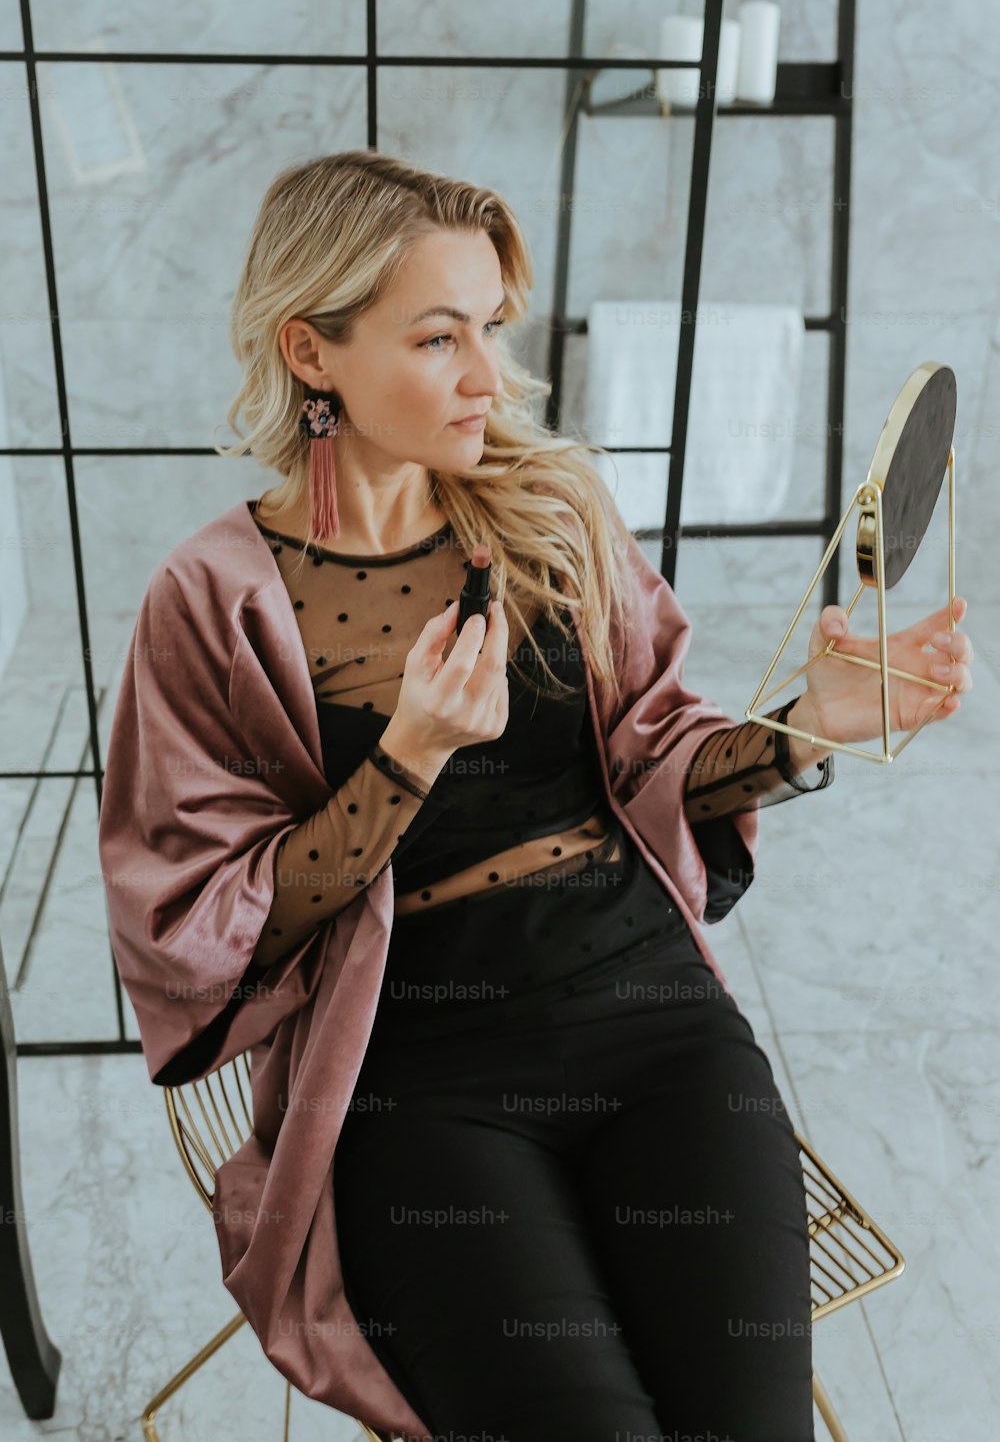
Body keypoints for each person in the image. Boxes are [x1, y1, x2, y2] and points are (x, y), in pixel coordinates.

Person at [107, 148, 972, 1442]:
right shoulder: (211, 599)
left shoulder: (550, 505)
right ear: (311, 352)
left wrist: (803, 729)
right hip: (417, 1078)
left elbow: (651, 755)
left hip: (655, 1026)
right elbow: (196, 933)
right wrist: (404, 759)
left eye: (492, 330)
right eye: (437, 336)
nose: (486, 378)